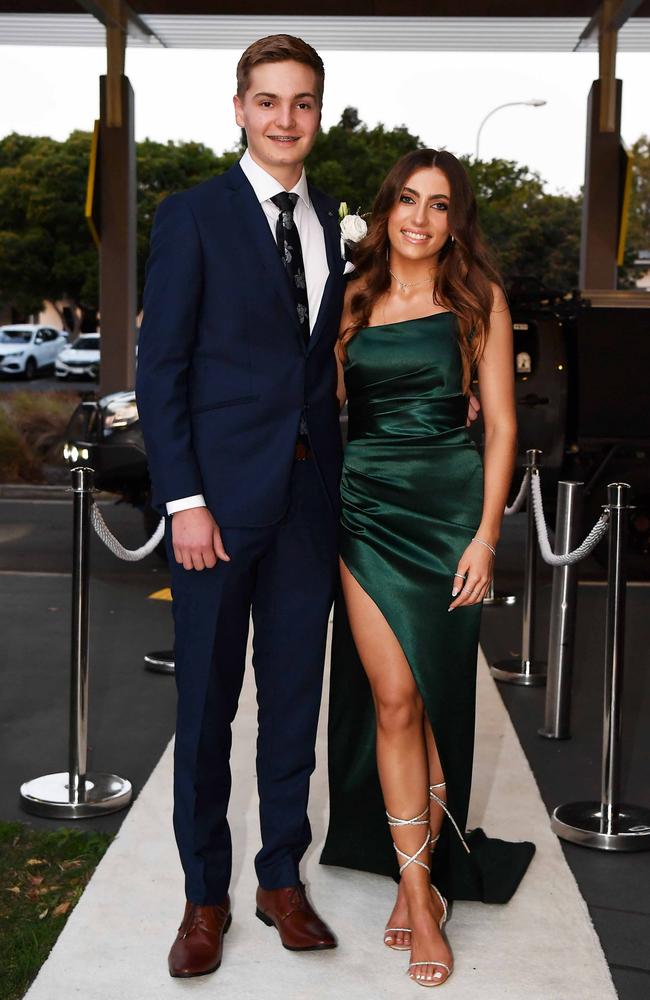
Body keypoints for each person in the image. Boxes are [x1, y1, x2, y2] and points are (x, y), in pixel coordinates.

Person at [136, 35, 348, 978]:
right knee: (208, 711)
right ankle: (202, 899)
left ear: (318, 113)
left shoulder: (332, 219)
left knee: (294, 705)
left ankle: (279, 880)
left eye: (301, 103)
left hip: (309, 502)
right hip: (215, 511)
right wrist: (184, 499)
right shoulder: (193, 216)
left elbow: (322, 362)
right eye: (268, 101)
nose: (284, 119)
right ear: (238, 109)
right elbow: (162, 369)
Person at [320, 149, 535, 988]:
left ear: (456, 220)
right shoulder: (352, 300)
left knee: (434, 699)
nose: (420, 217)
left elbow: (504, 429)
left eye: (439, 205)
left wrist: (485, 536)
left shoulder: (480, 301)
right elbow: (318, 402)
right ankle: (418, 887)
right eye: (407, 200)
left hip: (448, 514)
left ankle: (423, 889)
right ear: (384, 211)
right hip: (366, 509)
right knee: (395, 697)